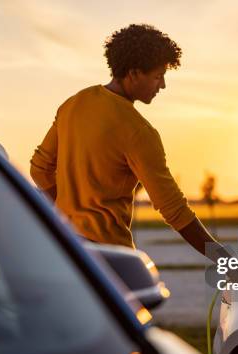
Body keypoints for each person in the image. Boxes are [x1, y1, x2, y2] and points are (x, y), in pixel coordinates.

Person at [30, 24, 223, 259]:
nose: (162, 86)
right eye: (158, 77)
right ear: (133, 74)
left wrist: (66, 214)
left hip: (65, 249)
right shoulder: (138, 131)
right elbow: (175, 210)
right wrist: (228, 263)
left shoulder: (74, 104)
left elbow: (39, 169)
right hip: (110, 257)